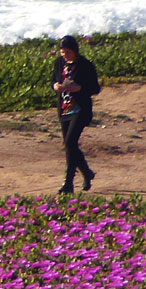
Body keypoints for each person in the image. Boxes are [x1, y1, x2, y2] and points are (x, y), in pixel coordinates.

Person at [51, 35, 100, 194]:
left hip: (79, 109)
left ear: (75, 50)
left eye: (68, 52)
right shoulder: (59, 63)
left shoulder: (85, 65)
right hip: (64, 108)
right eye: (63, 52)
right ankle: (86, 172)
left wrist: (79, 88)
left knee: (71, 142)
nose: (65, 55)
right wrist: (56, 86)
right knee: (69, 145)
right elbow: (53, 80)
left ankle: (68, 183)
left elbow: (95, 88)